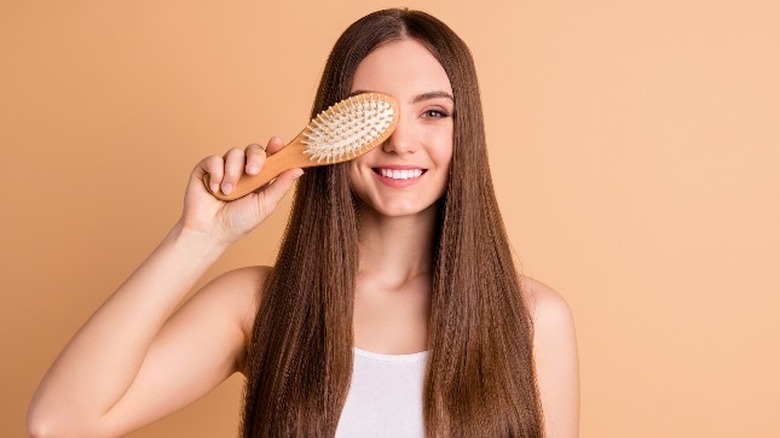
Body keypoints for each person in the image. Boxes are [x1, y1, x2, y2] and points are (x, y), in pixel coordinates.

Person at [27, 8, 579, 438]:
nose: (401, 140)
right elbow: (61, 423)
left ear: (467, 132)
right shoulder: (260, 305)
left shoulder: (533, 321)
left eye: (433, 112)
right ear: (334, 128)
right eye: (373, 111)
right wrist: (197, 238)